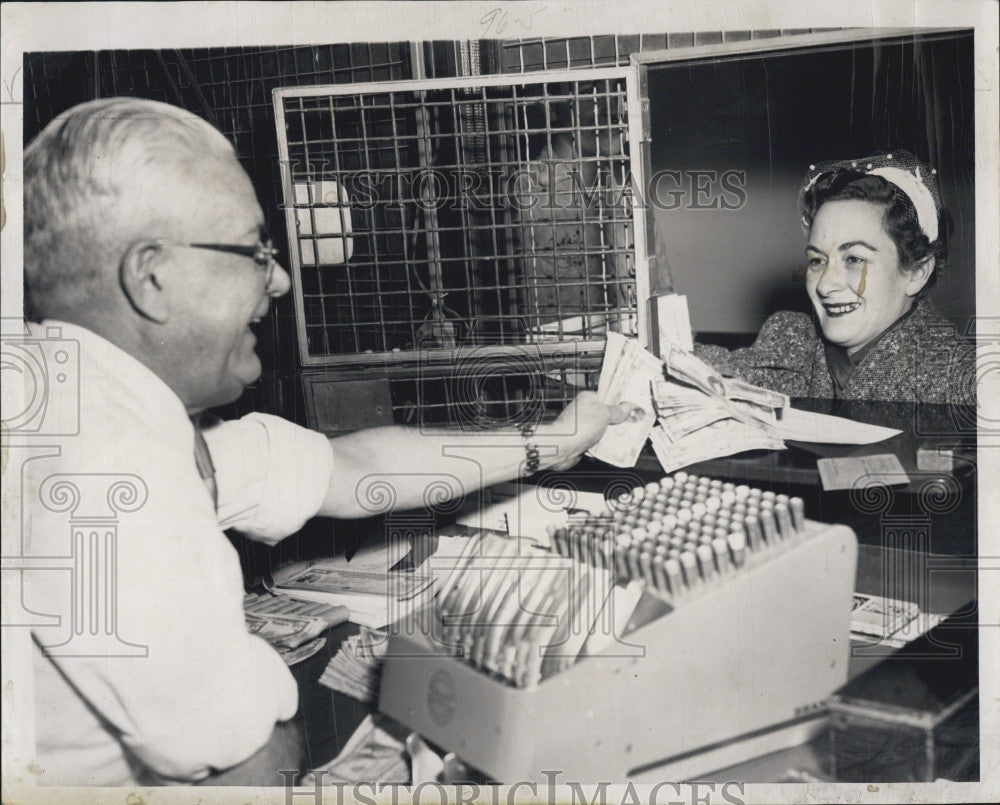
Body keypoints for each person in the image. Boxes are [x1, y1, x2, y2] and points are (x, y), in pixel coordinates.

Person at [17, 97, 634, 787]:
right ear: (151, 276)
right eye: (254, 250)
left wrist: (551, 439)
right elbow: (253, 769)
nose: (279, 279)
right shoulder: (111, 474)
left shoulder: (74, 395)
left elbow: (348, 467)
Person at [694, 152, 975, 404]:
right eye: (817, 260)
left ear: (917, 273)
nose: (826, 284)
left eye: (854, 259)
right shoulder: (798, 344)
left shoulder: (958, 381)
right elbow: (709, 372)